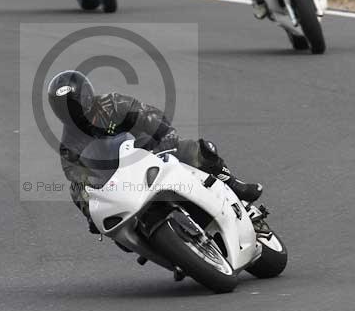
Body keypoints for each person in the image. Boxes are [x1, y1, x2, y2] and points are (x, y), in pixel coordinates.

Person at [47, 70, 264, 234]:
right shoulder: (69, 146)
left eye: (73, 104)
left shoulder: (112, 104)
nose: (72, 112)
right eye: (64, 107)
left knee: (192, 149)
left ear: (86, 96)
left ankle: (234, 184)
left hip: (146, 153)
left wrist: (165, 133)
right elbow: (77, 180)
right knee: (76, 191)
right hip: (117, 184)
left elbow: (147, 115)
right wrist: (91, 212)